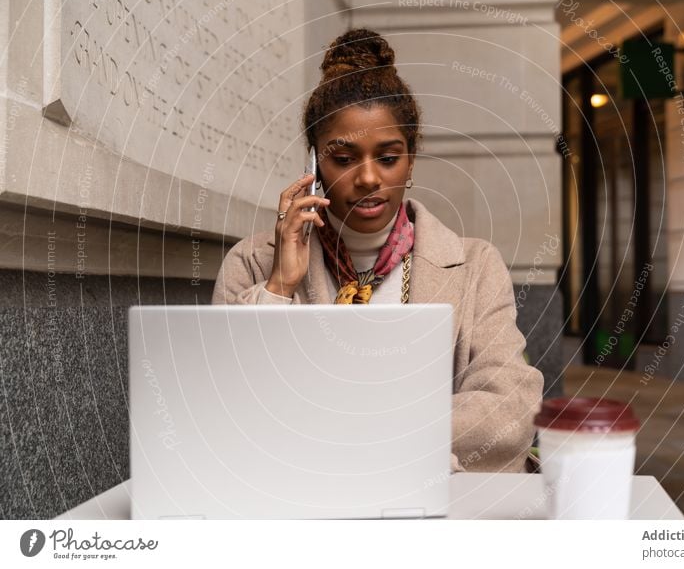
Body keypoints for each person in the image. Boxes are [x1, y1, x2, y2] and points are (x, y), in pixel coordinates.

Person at [212, 28, 543, 473]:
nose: (368, 179)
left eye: (387, 157)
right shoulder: (252, 264)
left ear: (411, 162)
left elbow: (509, 413)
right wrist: (278, 286)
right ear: (313, 163)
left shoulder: (477, 267)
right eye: (344, 159)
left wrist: (362, 435)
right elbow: (224, 407)